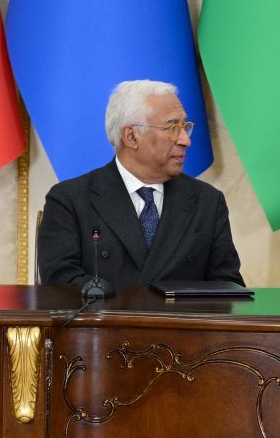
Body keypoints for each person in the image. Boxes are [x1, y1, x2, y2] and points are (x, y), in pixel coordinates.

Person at [38, 80, 244, 288]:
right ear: (131, 137)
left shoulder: (208, 202)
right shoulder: (70, 200)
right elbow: (60, 282)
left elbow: (228, 286)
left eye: (185, 127)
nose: (185, 140)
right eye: (172, 127)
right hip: (104, 310)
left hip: (180, 312)